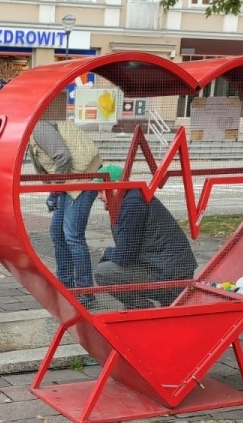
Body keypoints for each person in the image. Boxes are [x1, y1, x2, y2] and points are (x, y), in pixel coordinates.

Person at [29, 119, 103, 296]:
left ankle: (85, 292)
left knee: (73, 236)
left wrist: (54, 191)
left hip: (82, 179)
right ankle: (65, 286)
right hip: (71, 180)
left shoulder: (39, 128)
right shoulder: (35, 130)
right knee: (58, 232)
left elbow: (63, 156)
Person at [95, 188, 197, 308]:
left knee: (103, 272)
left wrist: (106, 252)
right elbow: (126, 250)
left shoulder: (133, 204)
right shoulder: (131, 199)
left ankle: (142, 309)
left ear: (116, 188)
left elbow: (124, 256)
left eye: (101, 191)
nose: (99, 196)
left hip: (169, 275)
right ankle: (141, 307)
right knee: (110, 264)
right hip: (167, 268)